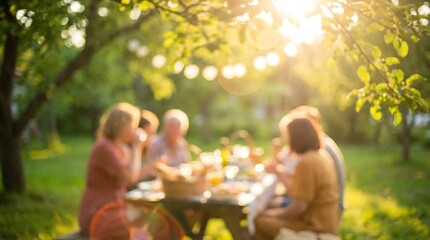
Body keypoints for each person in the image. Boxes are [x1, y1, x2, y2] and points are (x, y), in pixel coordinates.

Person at [78, 103, 165, 239]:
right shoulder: (104, 147)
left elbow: (133, 176)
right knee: (145, 227)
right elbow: (131, 178)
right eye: (132, 125)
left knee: (152, 220)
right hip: (98, 211)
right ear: (121, 126)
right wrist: (137, 147)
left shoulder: (119, 147)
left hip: (115, 207)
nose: (135, 130)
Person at [254, 118, 340, 240]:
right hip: (326, 222)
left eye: (288, 136)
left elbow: (299, 207)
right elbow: (299, 193)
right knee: (267, 211)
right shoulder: (321, 155)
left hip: (314, 226)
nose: (286, 141)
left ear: (296, 137)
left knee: (259, 221)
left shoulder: (306, 162)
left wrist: (275, 214)